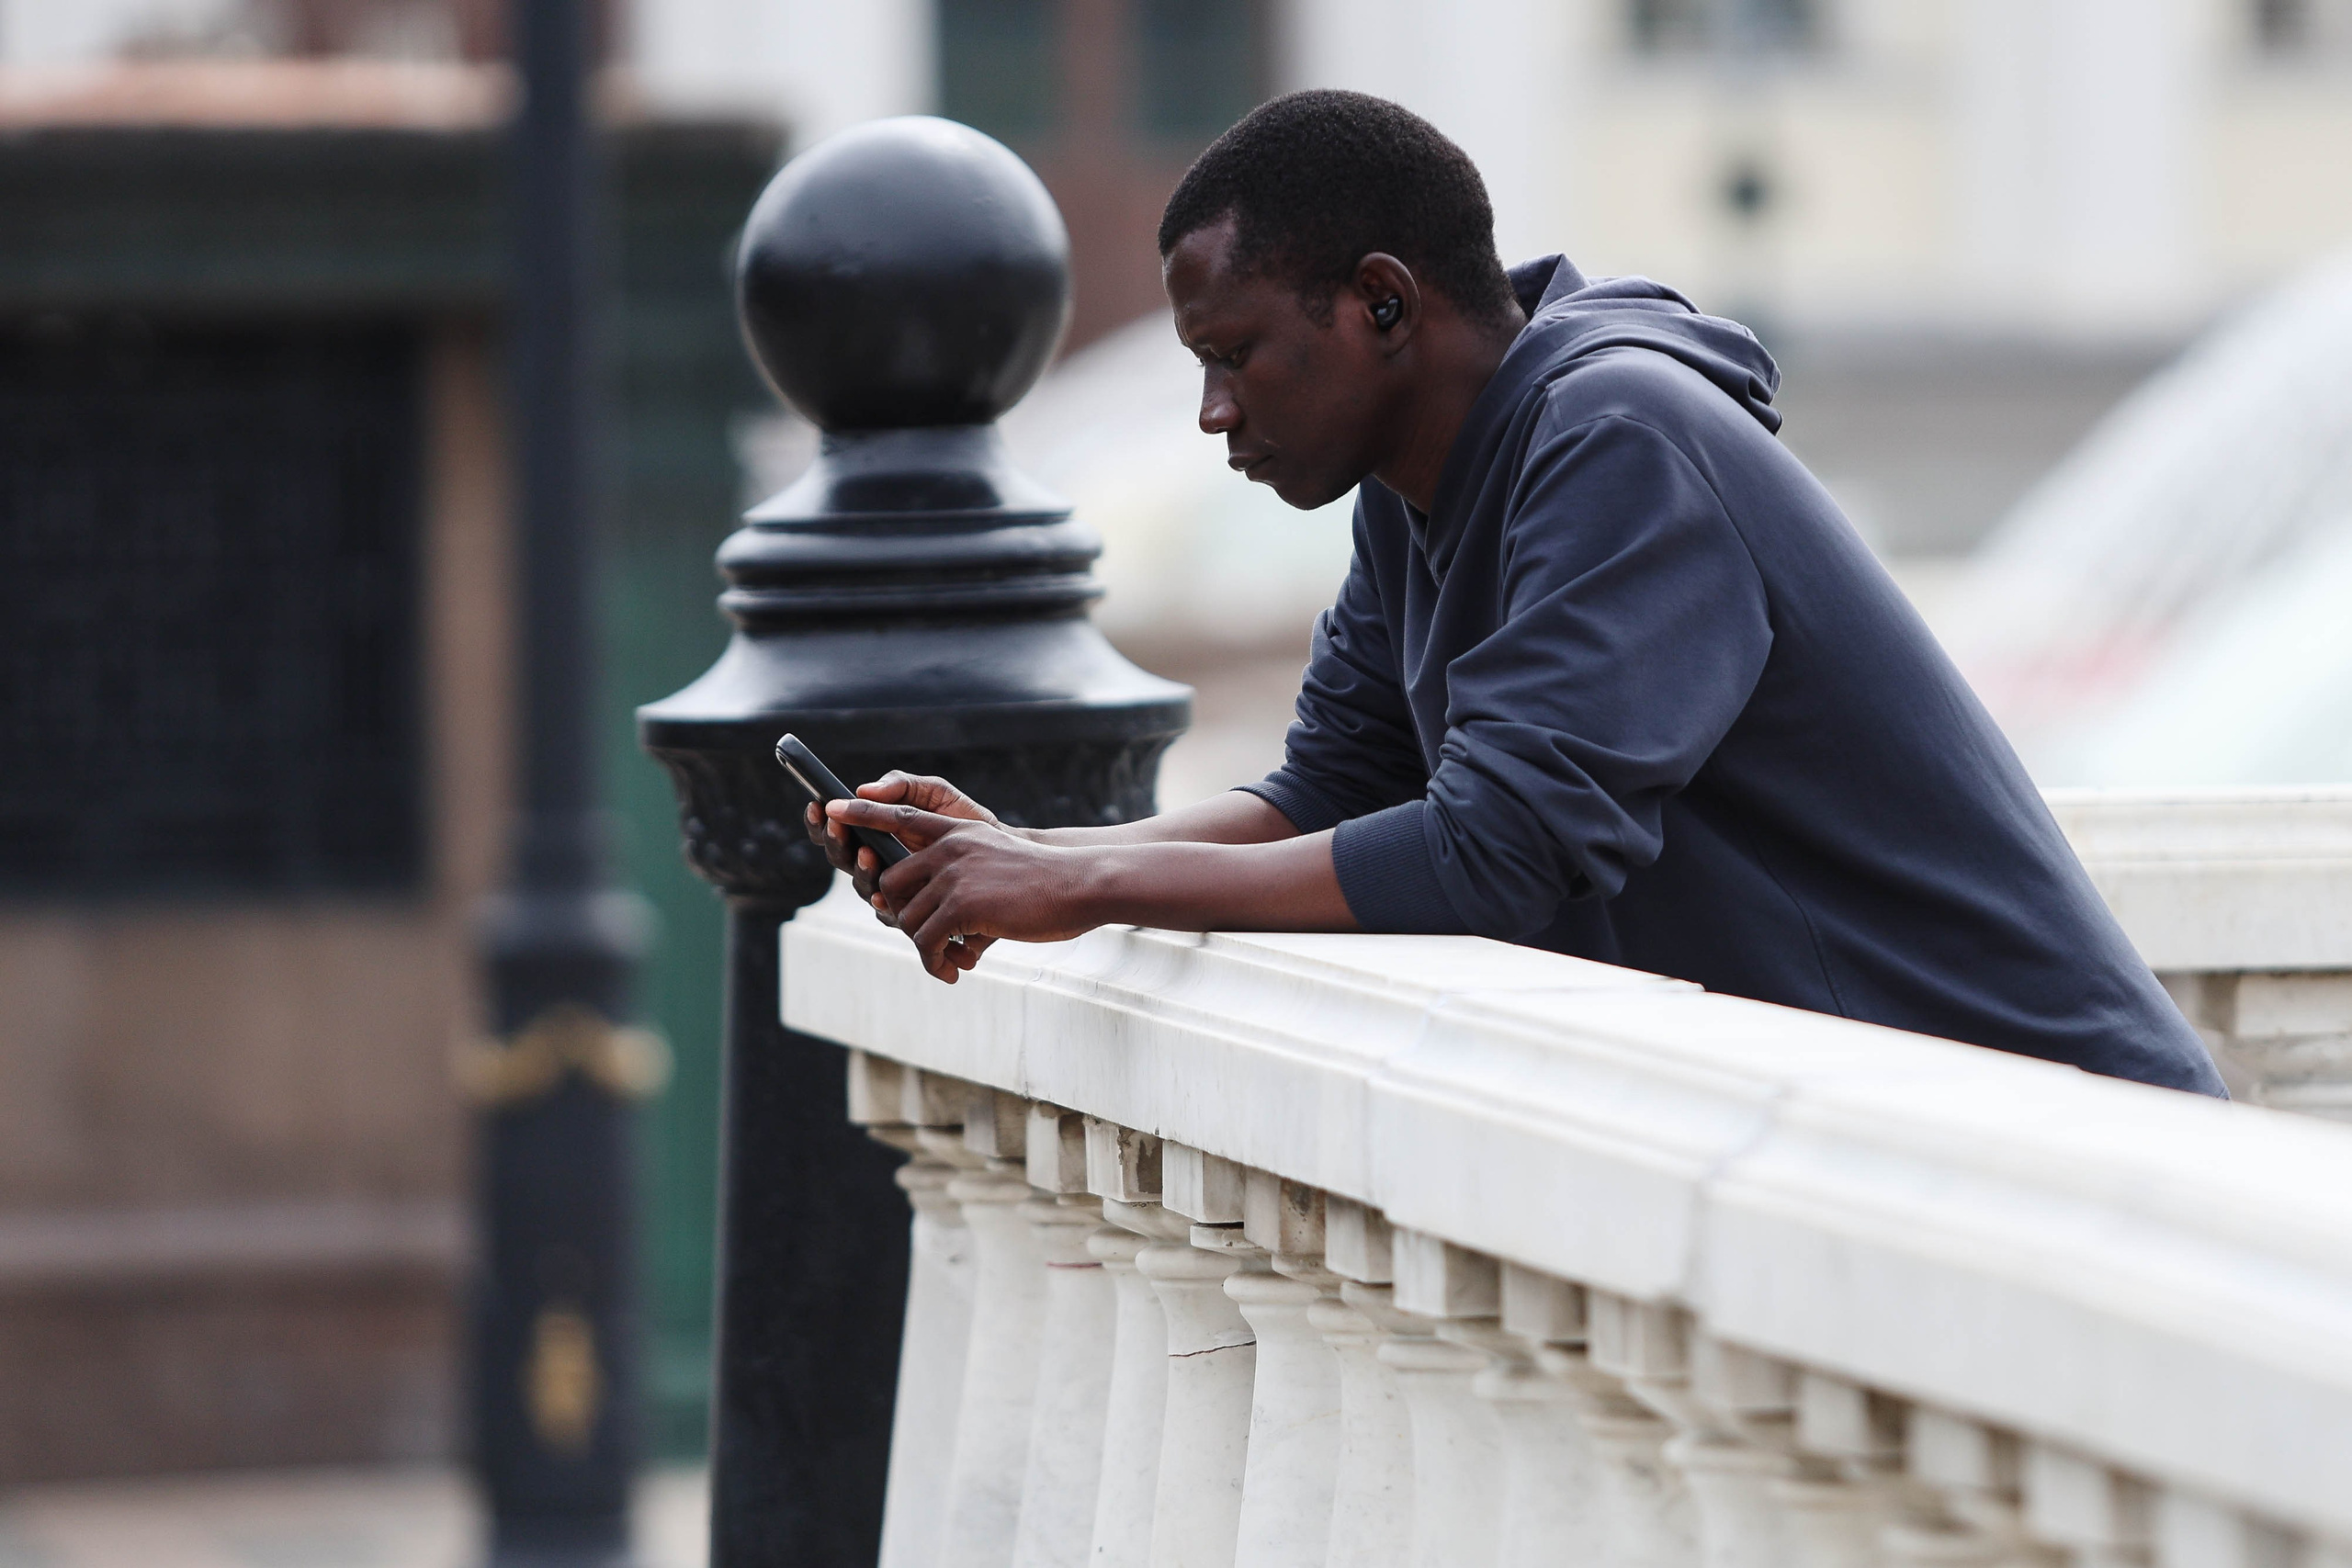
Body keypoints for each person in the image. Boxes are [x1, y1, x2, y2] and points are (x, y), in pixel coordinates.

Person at [805, 89, 2224, 1095]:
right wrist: (1029, 851)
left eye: (1235, 353)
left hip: (2068, 1151)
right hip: (1893, 1144)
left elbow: (1497, 853)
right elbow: (1331, 795)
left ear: (1383, 302)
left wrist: (1087, 885)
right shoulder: (1410, 491)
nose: (1213, 412)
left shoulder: (1624, 440)